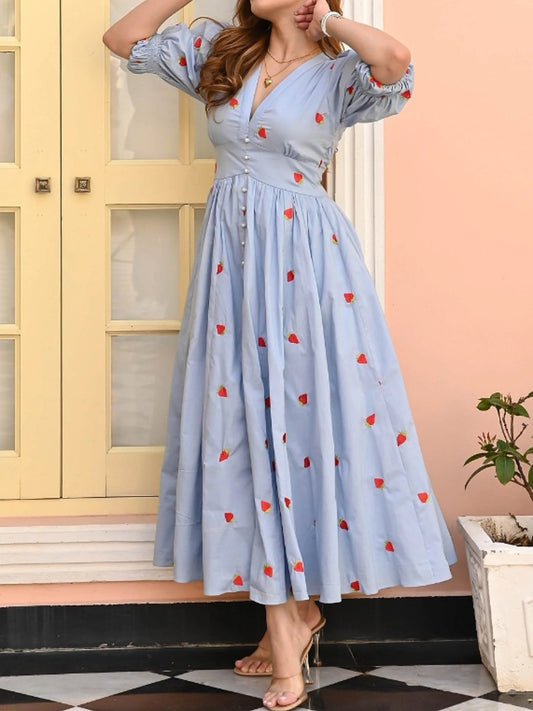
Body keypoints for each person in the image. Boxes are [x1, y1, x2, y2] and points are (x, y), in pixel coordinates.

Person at [103, 1, 456, 708]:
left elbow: (395, 60)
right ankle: (290, 615)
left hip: (308, 268)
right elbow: (122, 37)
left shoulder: (338, 72)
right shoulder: (222, 53)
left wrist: (327, 23)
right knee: (243, 428)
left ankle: (288, 628)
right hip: (232, 269)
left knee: (295, 429)